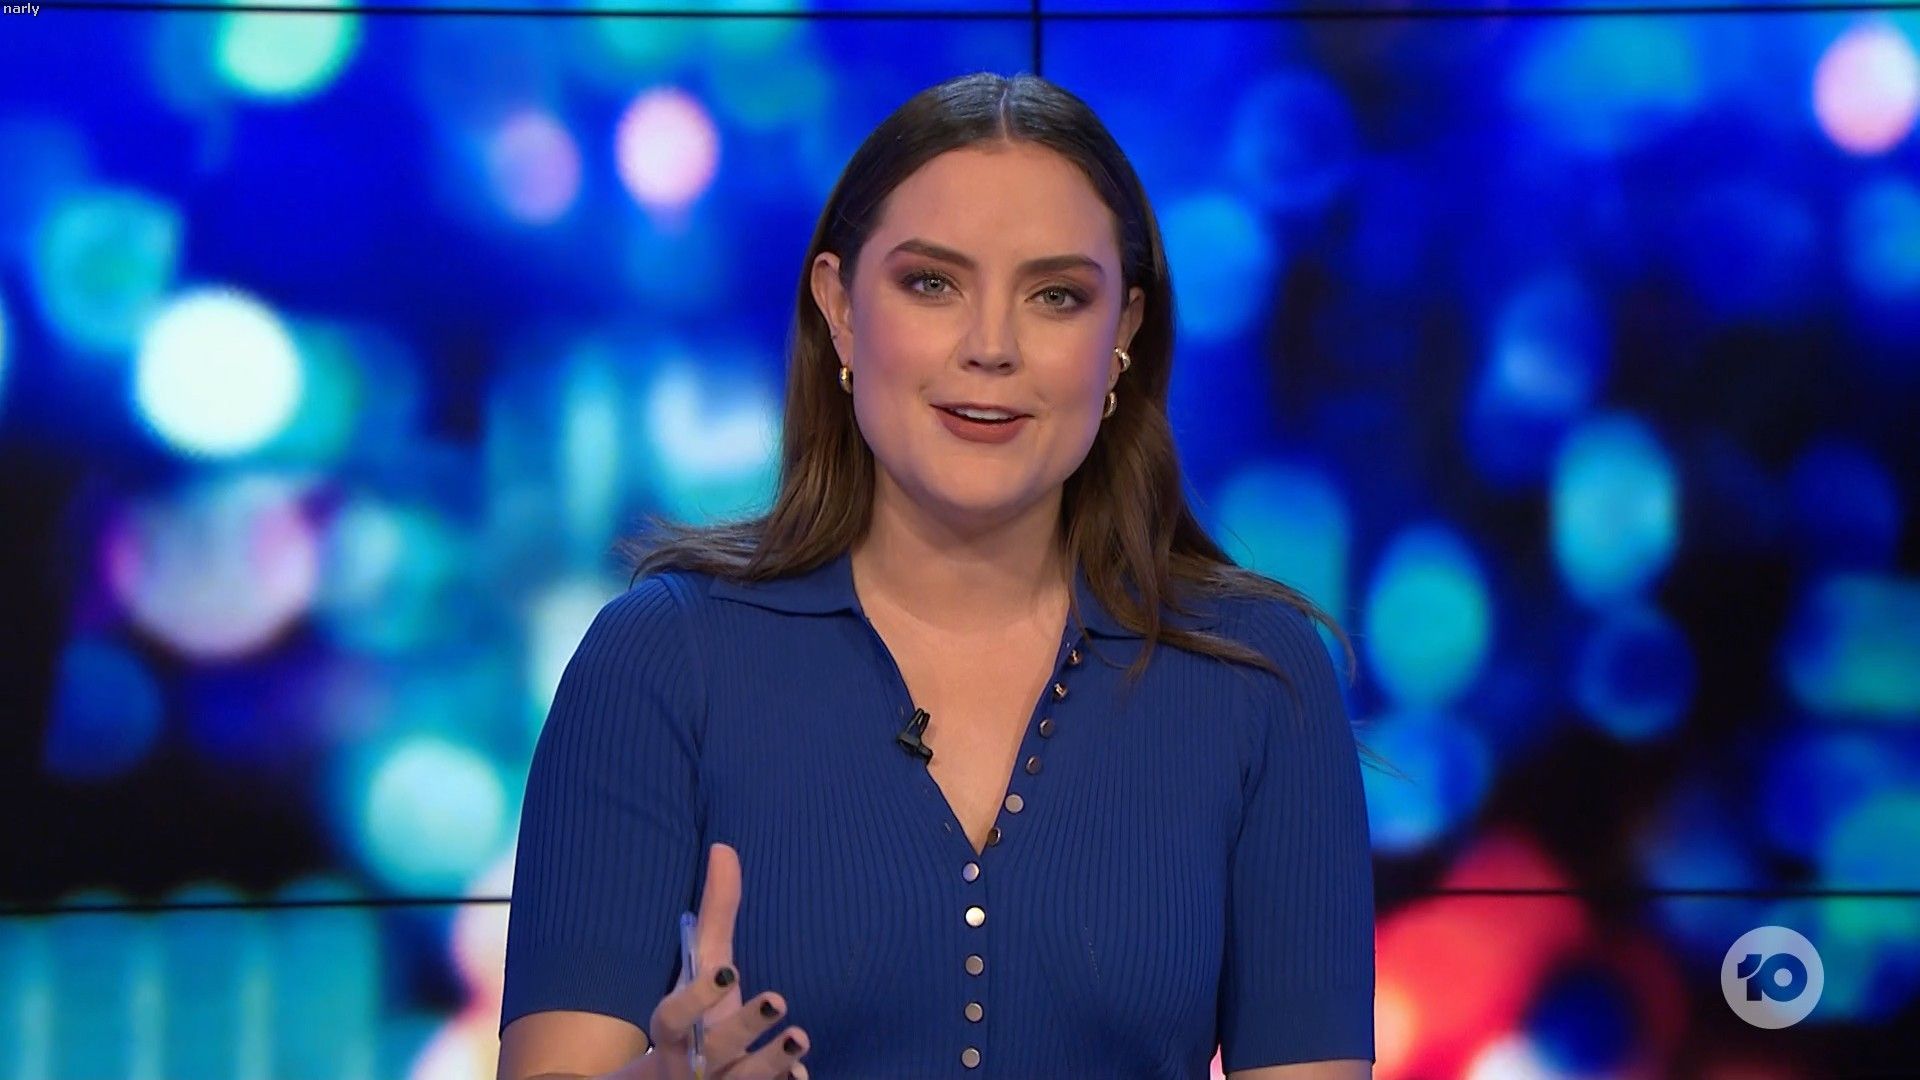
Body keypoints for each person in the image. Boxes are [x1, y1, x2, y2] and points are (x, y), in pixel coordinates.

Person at [497, 71, 1378, 1080]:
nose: (990, 348)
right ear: (839, 307)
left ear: (1123, 335)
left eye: (1056, 296)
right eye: (932, 284)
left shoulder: (1258, 679)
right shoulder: (661, 658)